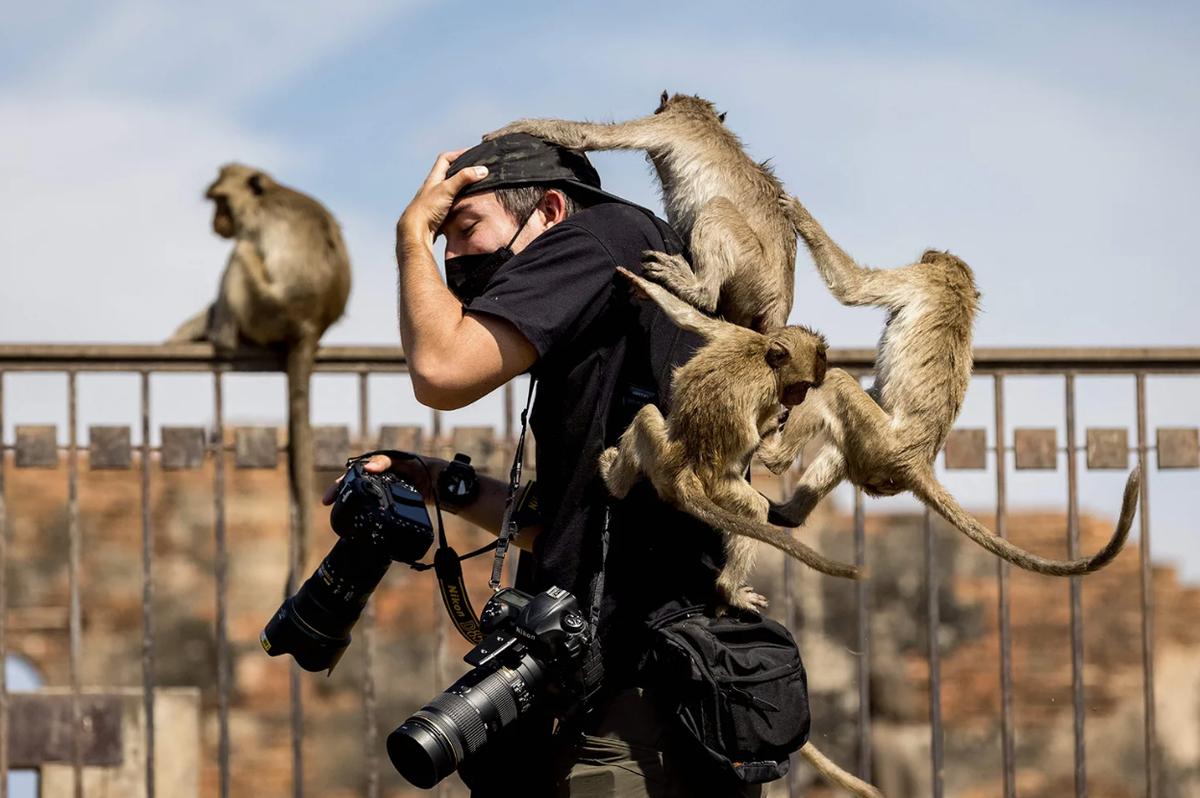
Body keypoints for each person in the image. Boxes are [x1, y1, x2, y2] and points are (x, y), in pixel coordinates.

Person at [324, 134, 761, 798]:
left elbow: (441, 370)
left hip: (636, 686)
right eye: (439, 238)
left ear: (550, 211)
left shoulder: (596, 238)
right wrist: (435, 479)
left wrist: (410, 235)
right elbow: (566, 528)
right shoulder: (617, 287)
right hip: (634, 672)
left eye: (463, 227)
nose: (449, 255)